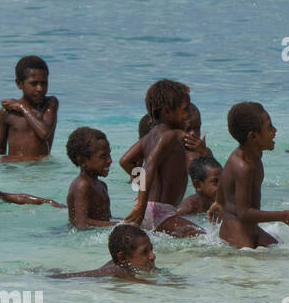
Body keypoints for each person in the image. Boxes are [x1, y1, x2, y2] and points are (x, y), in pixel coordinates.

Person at [118, 79, 204, 237]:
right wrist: (141, 205)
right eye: (186, 109)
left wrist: (141, 192)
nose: (189, 114)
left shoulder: (151, 136)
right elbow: (149, 167)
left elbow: (125, 161)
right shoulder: (168, 137)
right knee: (205, 238)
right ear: (166, 112)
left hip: (153, 210)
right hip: (161, 213)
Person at [217, 102, 289, 248]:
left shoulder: (255, 155)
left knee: (281, 248)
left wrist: (217, 201)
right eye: (269, 127)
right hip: (236, 230)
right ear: (253, 136)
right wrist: (282, 215)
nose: (275, 130)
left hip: (251, 227)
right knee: (252, 263)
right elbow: (243, 213)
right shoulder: (243, 166)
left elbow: (224, 177)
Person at [0, 55, 59, 160]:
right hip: (14, 168)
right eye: (34, 83)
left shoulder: (50, 104)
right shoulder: (7, 113)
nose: (39, 88)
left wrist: (23, 107)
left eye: (44, 83)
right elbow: (1, 149)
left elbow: (44, 133)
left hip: (39, 169)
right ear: (19, 84)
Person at [51, 224, 157, 280]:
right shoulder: (120, 271)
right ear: (123, 258)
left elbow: (163, 274)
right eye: (145, 252)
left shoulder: (128, 262)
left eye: (151, 249)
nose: (153, 256)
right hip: (57, 280)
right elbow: (150, 284)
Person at [65, 127, 118, 228]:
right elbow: (82, 223)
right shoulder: (82, 185)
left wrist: (128, 220)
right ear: (83, 161)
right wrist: (118, 224)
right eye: (103, 156)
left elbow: (107, 219)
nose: (110, 160)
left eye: (109, 154)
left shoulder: (102, 185)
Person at [176, 155, 223, 221]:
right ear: (197, 185)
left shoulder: (222, 201)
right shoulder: (187, 209)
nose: (221, 186)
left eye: (223, 180)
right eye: (215, 182)